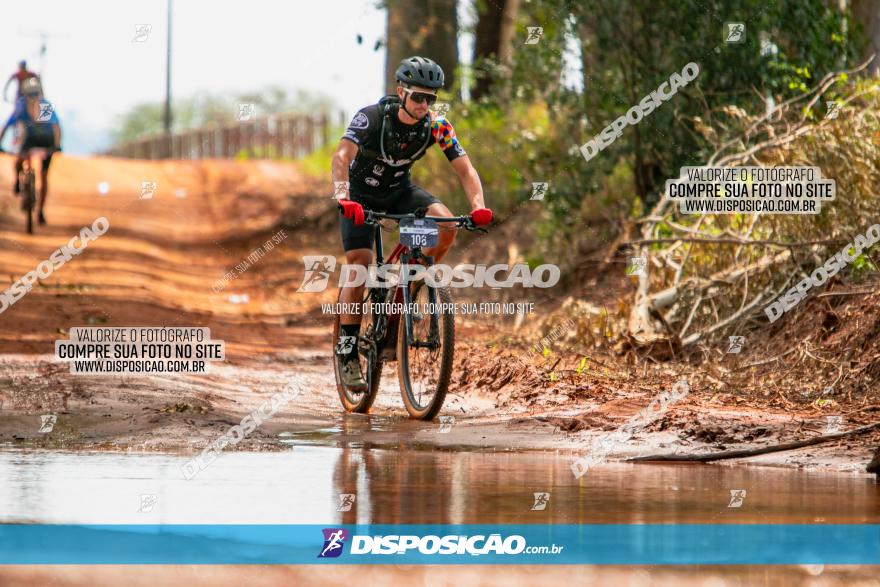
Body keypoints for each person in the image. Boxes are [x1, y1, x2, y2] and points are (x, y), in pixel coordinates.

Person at [331, 55, 493, 391]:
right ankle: (347, 351)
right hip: (360, 195)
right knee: (360, 265)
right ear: (400, 90)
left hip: (399, 192)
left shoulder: (437, 126)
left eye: (430, 98)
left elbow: (466, 169)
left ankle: (414, 282)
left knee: (447, 224)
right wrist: (343, 197)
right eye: (418, 96)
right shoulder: (372, 116)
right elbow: (342, 155)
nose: (424, 104)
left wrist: (478, 206)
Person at [0, 77, 61, 225]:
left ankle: (20, 185)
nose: (33, 97)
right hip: (46, 141)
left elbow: (8, 125)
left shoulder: (23, 106)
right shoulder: (44, 105)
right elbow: (56, 127)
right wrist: (57, 145)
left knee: (24, 161)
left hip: (34, 141)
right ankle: (40, 211)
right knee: (44, 175)